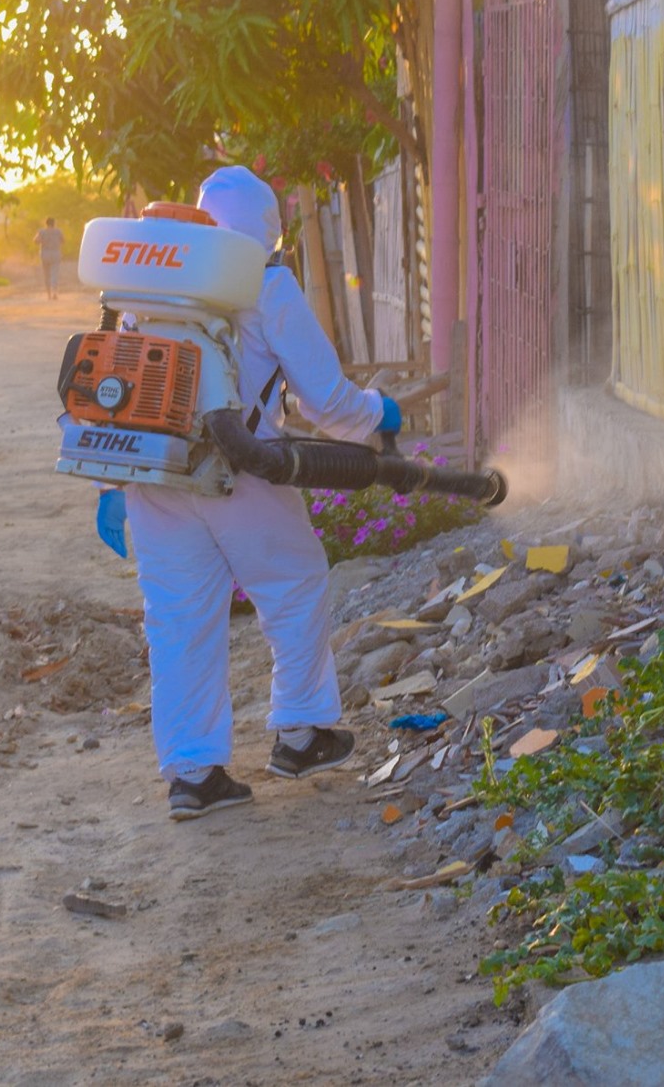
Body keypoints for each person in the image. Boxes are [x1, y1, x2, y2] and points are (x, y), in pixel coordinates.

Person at [104, 166, 401, 821]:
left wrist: (109, 484)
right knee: (294, 584)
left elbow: (120, 382)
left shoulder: (151, 276)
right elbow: (327, 401)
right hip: (241, 468)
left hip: (155, 473)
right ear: (269, 227)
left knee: (178, 620)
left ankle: (193, 775)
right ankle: (301, 733)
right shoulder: (265, 282)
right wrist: (379, 413)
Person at [34, 217, 65, 300]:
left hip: (45, 253)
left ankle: (49, 294)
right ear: (54, 223)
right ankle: (54, 292)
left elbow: (36, 240)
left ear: (46, 223)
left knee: (46, 274)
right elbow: (63, 240)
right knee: (54, 274)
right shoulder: (58, 231)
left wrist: (43, 241)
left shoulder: (41, 231)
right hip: (55, 253)